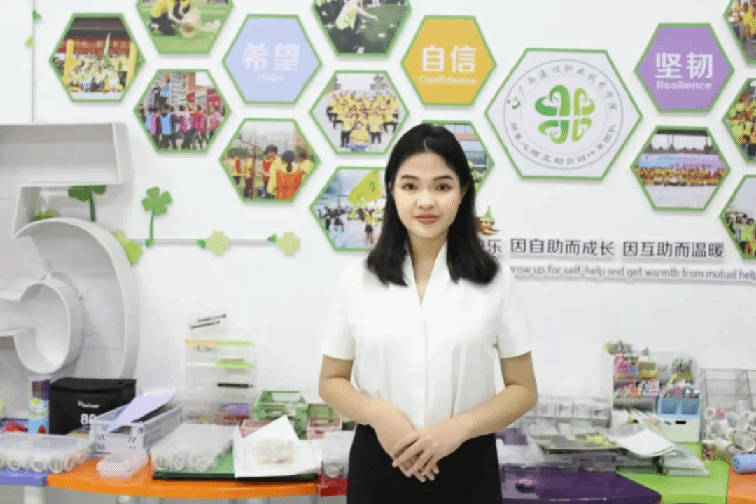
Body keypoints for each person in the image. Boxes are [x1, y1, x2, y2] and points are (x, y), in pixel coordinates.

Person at [318, 123, 537, 503]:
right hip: (380, 461)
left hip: (467, 466)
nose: (425, 201)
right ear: (391, 190)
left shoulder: (495, 280)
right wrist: (378, 414)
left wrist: (459, 427)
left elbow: (523, 389)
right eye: (410, 186)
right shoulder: (358, 278)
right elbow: (331, 380)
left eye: (442, 186)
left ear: (463, 191)